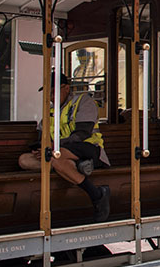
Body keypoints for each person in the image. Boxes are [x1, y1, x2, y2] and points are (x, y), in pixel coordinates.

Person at [19, 75, 111, 222]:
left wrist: (53, 148)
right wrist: (41, 150)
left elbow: (81, 134)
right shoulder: (48, 113)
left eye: (52, 92)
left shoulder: (84, 102)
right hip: (60, 153)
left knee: (57, 156)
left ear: (66, 88)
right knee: (24, 160)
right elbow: (41, 138)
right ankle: (74, 168)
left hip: (88, 148)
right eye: (47, 94)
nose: (50, 97)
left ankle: (96, 195)